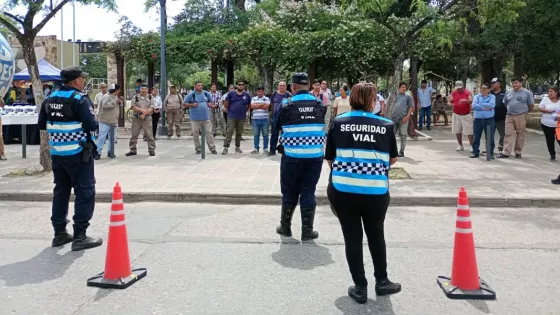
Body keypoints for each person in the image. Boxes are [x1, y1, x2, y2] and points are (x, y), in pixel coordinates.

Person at [325, 83, 401, 304]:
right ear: (372, 101)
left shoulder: (339, 123)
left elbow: (329, 157)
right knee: (376, 235)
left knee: (352, 238)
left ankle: (360, 287)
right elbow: (393, 158)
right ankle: (382, 281)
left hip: (342, 190)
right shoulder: (385, 125)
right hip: (375, 192)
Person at [37, 66, 102, 251]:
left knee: (61, 192)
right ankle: (80, 236)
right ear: (76, 81)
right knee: (85, 192)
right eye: (82, 78)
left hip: (58, 153)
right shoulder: (79, 99)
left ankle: (59, 233)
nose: (83, 81)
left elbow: (42, 125)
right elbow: (91, 124)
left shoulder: (49, 99)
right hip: (78, 153)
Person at [275, 72, 327, 241]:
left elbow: (275, 127)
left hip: (291, 157)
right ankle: (307, 230)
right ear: (310, 85)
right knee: (308, 191)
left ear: (293, 87)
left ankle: (285, 227)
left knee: (289, 192)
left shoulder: (286, 105)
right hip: (314, 157)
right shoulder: (320, 104)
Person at [498, 77, 534, 159]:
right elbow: (505, 103)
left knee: (520, 134)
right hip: (509, 115)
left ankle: (518, 152)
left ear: (521, 83)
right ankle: (506, 152)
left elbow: (531, 105)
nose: (514, 84)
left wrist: (525, 113)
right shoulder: (508, 92)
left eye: (516, 83)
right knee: (508, 134)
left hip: (521, 116)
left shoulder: (527, 92)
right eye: (513, 83)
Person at [184, 81, 218, 155]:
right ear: (195, 86)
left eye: (201, 85)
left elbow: (210, 102)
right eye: (199, 85)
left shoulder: (206, 93)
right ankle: (198, 148)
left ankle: (212, 148)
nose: (200, 87)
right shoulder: (191, 94)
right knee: (195, 133)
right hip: (195, 119)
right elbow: (184, 104)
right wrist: (192, 105)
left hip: (206, 118)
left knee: (209, 133)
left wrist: (210, 105)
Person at [125, 84, 156, 157]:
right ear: (140, 90)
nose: (144, 90)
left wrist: (144, 114)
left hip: (147, 119)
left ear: (147, 90)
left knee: (149, 135)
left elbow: (152, 108)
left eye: (145, 89)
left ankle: (151, 150)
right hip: (136, 119)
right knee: (134, 134)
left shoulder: (150, 97)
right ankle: (132, 150)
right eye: (142, 89)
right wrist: (142, 110)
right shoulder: (135, 97)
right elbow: (133, 107)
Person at [223, 80, 251, 155]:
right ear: (237, 85)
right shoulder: (231, 94)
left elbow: (249, 105)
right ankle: (225, 147)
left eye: (242, 84)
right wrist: (230, 110)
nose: (241, 86)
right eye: (239, 84)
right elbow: (226, 103)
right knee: (229, 131)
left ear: (244, 86)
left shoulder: (247, 95)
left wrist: (244, 111)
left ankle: (237, 147)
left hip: (241, 117)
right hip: (231, 116)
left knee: (239, 133)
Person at [95, 84, 122, 160]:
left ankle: (110, 152)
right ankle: (98, 153)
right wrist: (115, 101)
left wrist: (120, 102)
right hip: (105, 121)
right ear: (116, 90)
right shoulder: (106, 96)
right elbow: (105, 105)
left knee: (112, 138)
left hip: (113, 121)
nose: (119, 91)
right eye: (119, 90)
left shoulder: (115, 97)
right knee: (101, 138)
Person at [470, 83, 496, 159]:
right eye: (482, 88)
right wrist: (484, 106)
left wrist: (480, 105)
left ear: (489, 89)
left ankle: (490, 153)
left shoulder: (492, 97)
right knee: (476, 136)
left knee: (489, 137)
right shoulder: (476, 97)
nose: (483, 90)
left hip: (489, 120)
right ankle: (475, 152)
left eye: (485, 88)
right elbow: (474, 105)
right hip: (478, 120)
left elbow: (492, 105)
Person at [388, 82, 414, 157]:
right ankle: (391, 151)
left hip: (403, 119)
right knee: (391, 135)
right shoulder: (393, 96)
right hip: (393, 119)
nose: (404, 89)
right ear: (399, 88)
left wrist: (407, 117)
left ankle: (401, 151)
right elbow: (389, 106)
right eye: (402, 87)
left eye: (405, 87)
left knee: (403, 135)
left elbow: (410, 107)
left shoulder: (408, 96)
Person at [447, 81, 473, 151]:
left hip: (466, 114)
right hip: (456, 114)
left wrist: (465, 101)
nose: (459, 90)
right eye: (457, 88)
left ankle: (471, 146)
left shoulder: (468, 92)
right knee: (457, 130)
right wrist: (450, 104)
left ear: (463, 87)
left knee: (469, 131)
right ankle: (460, 145)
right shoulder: (454, 92)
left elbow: (471, 100)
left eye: (460, 88)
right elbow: (449, 101)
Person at [268, 81, 292, 156]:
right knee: (274, 133)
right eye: (280, 85)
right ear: (278, 86)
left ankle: (283, 149)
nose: (282, 87)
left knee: (284, 133)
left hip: (285, 116)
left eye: (283, 86)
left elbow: (291, 104)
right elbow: (271, 103)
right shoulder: (274, 94)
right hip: (276, 116)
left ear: (286, 87)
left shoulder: (288, 94)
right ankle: (272, 150)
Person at [538, 87, 560, 162]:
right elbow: (540, 108)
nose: (549, 93)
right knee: (549, 140)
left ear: (556, 92)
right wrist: (546, 111)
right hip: (546, 124)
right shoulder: (545, 99)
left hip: (558, 125)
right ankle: (552, 155)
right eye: (548, 91)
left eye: (551, 91)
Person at [250, 86, 270, 154]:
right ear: (257, 92)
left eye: (261, 91)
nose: (260, 93)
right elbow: (252, 106)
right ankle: (256, 148)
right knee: (256, 134)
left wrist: (257, 105)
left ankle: (265, 148)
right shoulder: (253, 98)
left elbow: (266, 107)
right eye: (259, 91)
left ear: (263, 92)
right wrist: (262, 104)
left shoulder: (267, 98)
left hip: (265, 119)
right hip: (255, 119)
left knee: (265, 134)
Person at [490, 78, 506, 154]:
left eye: (494, 83)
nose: (492, 85)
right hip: (490, 118)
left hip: (501, 118)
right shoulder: (489, 93)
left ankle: (501, 149)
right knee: (489, 134)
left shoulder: (505, 93)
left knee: (503, 135)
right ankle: (489, 149)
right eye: (491, 83)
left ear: (499, 84)